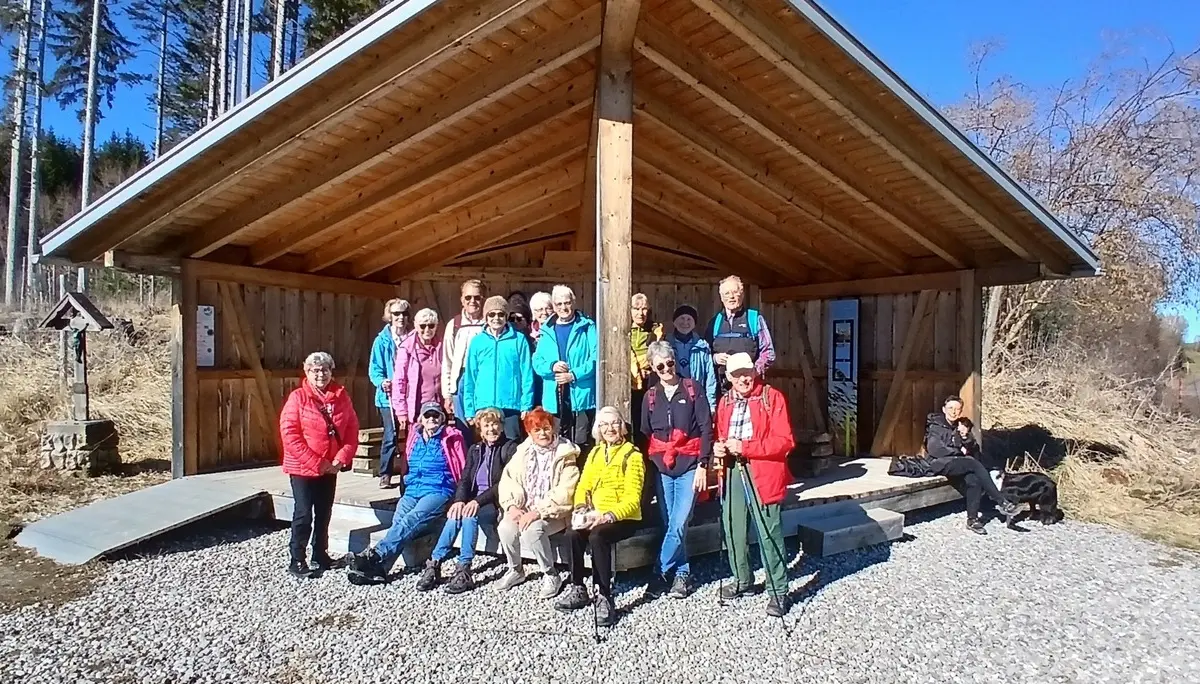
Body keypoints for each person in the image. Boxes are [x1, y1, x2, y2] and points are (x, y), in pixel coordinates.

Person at [347, 402, 466, 584]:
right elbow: (406, 463)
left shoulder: (452, 437)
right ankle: (380, 571)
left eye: (436, 415)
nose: (432, 419)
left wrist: (461, 497)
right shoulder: (414, 436)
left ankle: (375, 554)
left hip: (439, 489)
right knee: (399, 520)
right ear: (421, 419)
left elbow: (463, 467)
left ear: (442, 418)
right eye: (428, 415)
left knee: (411, 519)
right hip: (412, 489)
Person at [713, 352, 794, 617]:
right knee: (733, 527)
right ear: (729, 378)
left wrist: (746, 447)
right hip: (733, 469)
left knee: (768, 530)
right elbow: (721, 435)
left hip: (764, 469)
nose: (743, 378)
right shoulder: (725, 402)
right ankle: (742, 580)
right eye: (737, 375)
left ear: (755, 371)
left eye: (747, 372)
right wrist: (720, 447)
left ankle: (778, 591)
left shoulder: (772, 398)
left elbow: (785, 442)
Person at [555, 406, 645, 627]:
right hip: (594, 513)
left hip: (623, 517)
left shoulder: (632, 455)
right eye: (604, 425)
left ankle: (604, 595)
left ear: (622, 427)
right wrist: (580, 508)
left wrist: (608, 516)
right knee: (572, 534)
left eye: (614, 423)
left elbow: (633, 498)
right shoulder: (595, 453)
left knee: (598, 537)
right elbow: (584, 485)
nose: (610, 428)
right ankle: (578, 587)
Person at [640, 341, 712, 599]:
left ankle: (657, 573)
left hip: (690, 464)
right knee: (671, 523)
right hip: (662, 468)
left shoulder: (693, 389)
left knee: (679, 523)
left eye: (670, 362)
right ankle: (682, 574)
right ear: (653, 368)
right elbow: (646, 433)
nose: (666, 369)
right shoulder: (650, 397)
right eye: (660, 365)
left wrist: (704, 464)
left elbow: (706, 429)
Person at [418, 408, 517, 594]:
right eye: (486, 425)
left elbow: (503, 483)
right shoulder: (475, 449)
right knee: (455, 515)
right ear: (480, 428)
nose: (491, 429)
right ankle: (434, 563)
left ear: (502, 427)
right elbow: (464, 479)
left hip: (496, 501)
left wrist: (477, 502)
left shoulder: (510, 448)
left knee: (469, 516)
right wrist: (459, 500)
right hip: (474, 501)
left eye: (495, 424)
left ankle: (464, 568)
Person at [279, 352, 359, 578]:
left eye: (324, 369)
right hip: (303, 467)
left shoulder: (342, 397)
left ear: (331, 371)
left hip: (330, 466)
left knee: (324, 512)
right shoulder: (298, 398)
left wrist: (341, 458)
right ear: (307, 373)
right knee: (304, 513)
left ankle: (320, 555)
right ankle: (297, 558)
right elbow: (290, 435)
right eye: (315, 370)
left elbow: (352, 429)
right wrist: (317, 462)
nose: (320, 374)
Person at [496, 408, 581, 599]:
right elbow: (508, 479)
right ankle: (515, 569)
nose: (543, 433)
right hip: (524, 506)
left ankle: (550, 574)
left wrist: (537, 511)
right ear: (530, 433)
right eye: (537, 430)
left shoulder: (565, 454)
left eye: (546, 428)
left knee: (532, 530)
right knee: (505, 527)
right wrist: (512, 506)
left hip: (555, 512)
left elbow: (565, 492)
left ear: (552, 429)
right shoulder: (523, 452)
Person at [924, 396, 1016, 534]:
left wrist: (965, 436)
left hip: (958, 463)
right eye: (950, 408)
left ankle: (972, 520)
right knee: (972, 463)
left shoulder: (960, 425)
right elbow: (935, 450)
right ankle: (1001, 500)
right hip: (938, 463)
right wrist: (958, 452)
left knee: (974, 480)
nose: (953, 412)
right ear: (944, 410)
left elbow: (973, 448)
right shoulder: (936, 426)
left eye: (957, 409)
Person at [533, 285, 598, 450]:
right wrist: (552, 366)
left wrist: (573, 375)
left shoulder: (587, 327)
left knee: (581, 443)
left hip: (581, 394)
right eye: (559, 304)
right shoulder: (547, 329)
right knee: (557, 443)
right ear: (554, 306)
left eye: (567, 303)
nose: (563, 307)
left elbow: (595, 359)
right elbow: (537, 361)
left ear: (574, 303)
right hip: (555, 396)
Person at [462, 296, 535, 440]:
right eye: (492, 314)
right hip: (484, 406)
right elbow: (470, 377)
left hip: (510, 405)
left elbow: (527, 374)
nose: (496, 318)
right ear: (486, 317)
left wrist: (526, 404)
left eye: (501, 314)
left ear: (506, 316)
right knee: (488, 447)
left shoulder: (519, 340)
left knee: (511, 448)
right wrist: (469, 409)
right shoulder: (477, 342)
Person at [390, 308, 443, 488]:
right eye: (423, 326)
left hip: (437, 408)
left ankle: (432, 486)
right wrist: (401, 412)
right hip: (416, 410)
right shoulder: (407, 348)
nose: (427, 330)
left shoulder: (442, 345)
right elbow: (399, 381)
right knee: (412, 451)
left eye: (431, 326)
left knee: (435, 448)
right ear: (415, 326)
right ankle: (407, 487)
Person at [706, 276, 775, 395]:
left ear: (742, 294)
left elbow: (768, 353)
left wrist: (752, 372)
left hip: (750, 388)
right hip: (722, 390)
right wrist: (715, 358)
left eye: (735, 292)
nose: (731, 297)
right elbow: (704, 354)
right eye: (727, 293)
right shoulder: (715, 323)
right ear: (721, 298)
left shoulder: (754, 319)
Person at [369, 298, 410, 488]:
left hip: (408, 395)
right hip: (388, 397)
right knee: (391, 434)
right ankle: (385, 473)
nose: (400, 317)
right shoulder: (381, 341)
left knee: (411, 434)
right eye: (396, 314)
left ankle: (407, 472)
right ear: (389, 317)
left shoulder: (412, 338)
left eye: (404, 313)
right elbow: (374, 369)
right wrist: (381, 381)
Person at [442, 280, 487, 428]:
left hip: (483, 379)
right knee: (463, 428)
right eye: (468, 297)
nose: (472, 301)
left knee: (485, 425)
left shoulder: (489, 324)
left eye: (477, 297)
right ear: (462, 299)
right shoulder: (454, 324)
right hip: (460, 378)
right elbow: (447, 361)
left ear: (483, 299)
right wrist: (447, 394)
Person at [669, 304, 717, 410]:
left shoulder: (702, 347)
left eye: (689, 319)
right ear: (674, 322)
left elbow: (710, 377)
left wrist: (711, 404)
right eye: (681, 318)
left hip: (696, 399)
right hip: (672, 398)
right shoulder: (666, 345)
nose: (685, 323)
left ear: (694, 324)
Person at [630, 293, 664, 439]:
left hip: (648, 380)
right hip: (628, 379)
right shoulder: (623, 329)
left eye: (644, 309)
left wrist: (644, 364)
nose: (640, 313)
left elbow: (658, 352)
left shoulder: (654, 330)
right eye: (636, 309)